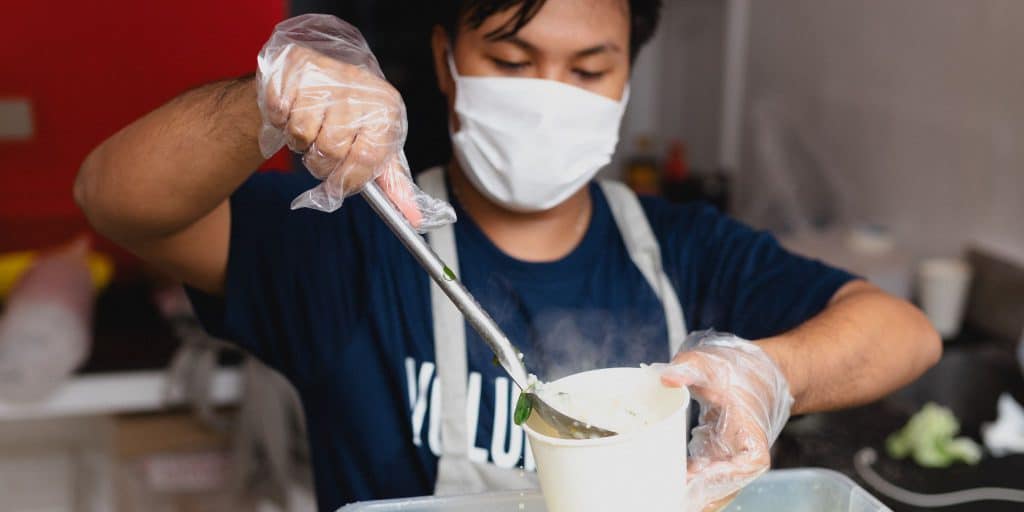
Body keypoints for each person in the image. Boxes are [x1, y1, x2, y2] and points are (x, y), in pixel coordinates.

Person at [75, 1, 941, 510]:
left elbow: (903, 332)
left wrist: (769, 372)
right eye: (513, 59)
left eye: (588, 69)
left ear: (625, 83)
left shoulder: (687, 248)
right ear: (448, 63)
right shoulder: (349, 242)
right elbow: (116, 200)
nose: (546, 98)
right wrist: (262, 101)